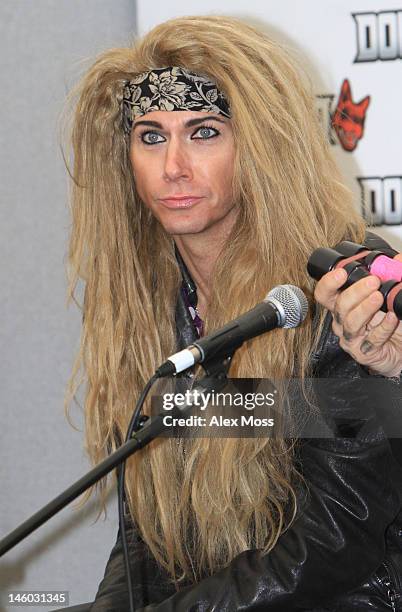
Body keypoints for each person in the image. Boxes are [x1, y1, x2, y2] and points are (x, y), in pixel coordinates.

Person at [65, 15, 402, 611]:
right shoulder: (149, 305)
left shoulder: (343, 291)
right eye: (150, 136)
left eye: (203, 133)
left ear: (260, 148)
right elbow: (148, 536)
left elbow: (330, 541)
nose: (173, 166)